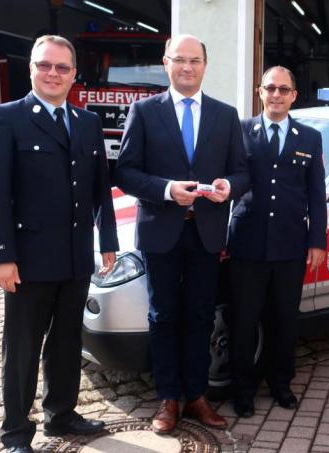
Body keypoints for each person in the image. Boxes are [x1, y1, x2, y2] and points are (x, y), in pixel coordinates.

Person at [0, 35, 118, 453]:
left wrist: (106, 237)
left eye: (62, 67)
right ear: (31, 68)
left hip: (75, 257)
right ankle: (16, 431)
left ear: (74, 74)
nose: (53, 73)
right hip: (30, 260)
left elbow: (99, 188)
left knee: (66, 340)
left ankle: (61, 414)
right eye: (45, 65)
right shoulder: (4, 118)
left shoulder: (86, 122)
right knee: (22, 348)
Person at [114, 34, 249, 433]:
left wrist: (229, 187)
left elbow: (242, 171)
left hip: (206, 234)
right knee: (163, 316)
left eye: (195, 60)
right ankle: (168, 398)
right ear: (166, 62)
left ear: (206, 65)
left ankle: (197, 396)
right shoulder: (143, 112)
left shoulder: (225, 115)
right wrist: (166, 190)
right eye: (179, 60)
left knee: (200, 316)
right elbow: (125, 171)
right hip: (161, 232)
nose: (187, 67)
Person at [228, 66, 327, 418]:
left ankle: (281, 383)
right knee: (244, 320)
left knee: (284, 319)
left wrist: (317, 241)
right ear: (259, 91)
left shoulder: (310, 137)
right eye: (270, 88)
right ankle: (243, 389)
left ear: (294, 95)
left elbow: (317, 193)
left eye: (284, 89)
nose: (276, 95)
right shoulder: (239, 131)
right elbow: (228, 183)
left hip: (290, 245)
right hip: (247, 245)